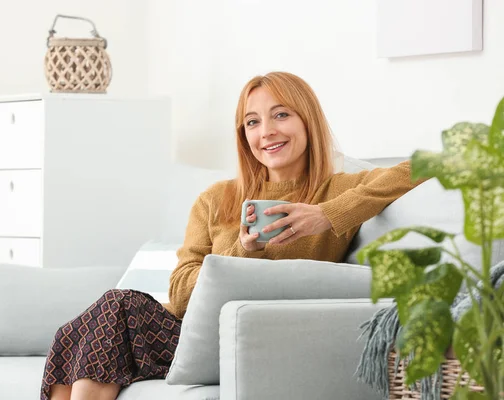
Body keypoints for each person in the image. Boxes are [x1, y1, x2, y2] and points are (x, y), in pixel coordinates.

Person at [40, 71, 424, 400]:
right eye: (252, 122)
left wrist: (326, 215)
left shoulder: (339, 188)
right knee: (85, 326)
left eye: (281, 115)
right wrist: (241, 252)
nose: (267, 132)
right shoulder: (216, 198)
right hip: (189, 336)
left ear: (307, 120)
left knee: (109, 311)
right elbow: (179, 293)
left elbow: (423, 168)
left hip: (265, 333)